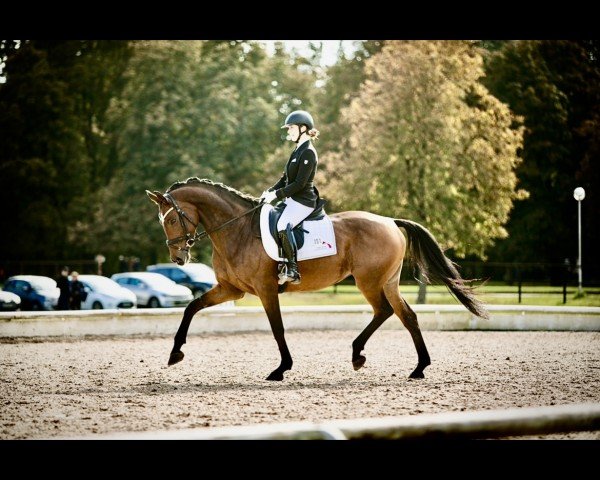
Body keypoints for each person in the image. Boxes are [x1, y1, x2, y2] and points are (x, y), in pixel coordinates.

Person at [260, 110, 320, 284]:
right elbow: (285, 179)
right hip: (291, 200)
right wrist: (270, 192)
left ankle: (293, 269)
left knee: (282, 225)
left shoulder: (308, 152)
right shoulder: (297, 150)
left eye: (291, 128)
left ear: (303, 128)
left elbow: (299, 184)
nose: (288, 132)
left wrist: (277, 195)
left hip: (304, 202)